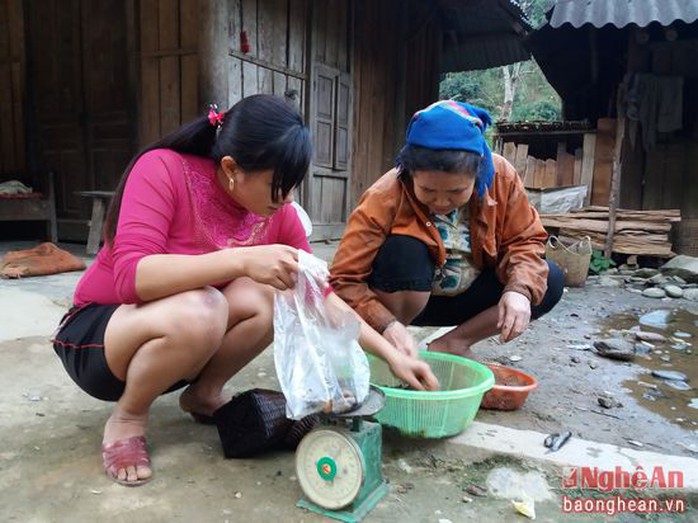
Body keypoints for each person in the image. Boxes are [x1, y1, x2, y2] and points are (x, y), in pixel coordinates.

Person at [52, 94, 438, 487]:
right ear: (232, 168)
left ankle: (204, 393)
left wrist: (393, 353)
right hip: (100, 339)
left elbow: (322, 298)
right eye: (277, 185)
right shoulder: (163, 170)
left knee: (273, 293)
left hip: (178, 338)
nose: (287, 199)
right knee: (206, 306)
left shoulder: (278, 214)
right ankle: (128, 418)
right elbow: (131, 278)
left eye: (292, 186)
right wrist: (240, 261)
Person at [330, 100, 564, 360]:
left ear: (478, 172)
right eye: (428, 191)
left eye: (456, 192)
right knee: (404, 249)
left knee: (547, 279)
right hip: (404, 303)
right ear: (410, 173)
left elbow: (525, 241)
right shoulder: (385, 195)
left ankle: (455, 342)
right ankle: (394, 345)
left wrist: (518, 291)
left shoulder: (502, 178)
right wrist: (385, 325)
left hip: (469, 298)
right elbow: (344, 279)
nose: (441, 203)